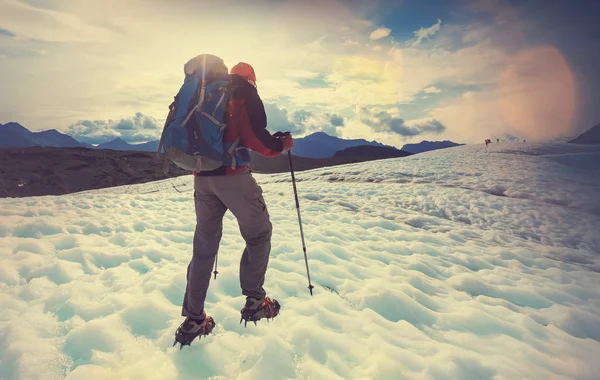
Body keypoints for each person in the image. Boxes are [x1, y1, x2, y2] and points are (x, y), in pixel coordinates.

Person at [174, 61, 294, 347]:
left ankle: (194, 319)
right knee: (259, 233)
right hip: (233, 178)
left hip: (202, 178)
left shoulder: (203, 94)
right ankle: (255, 302)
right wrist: (282, 145)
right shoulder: (243, 92)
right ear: (251, 78)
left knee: (204, 247)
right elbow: (256, 139)